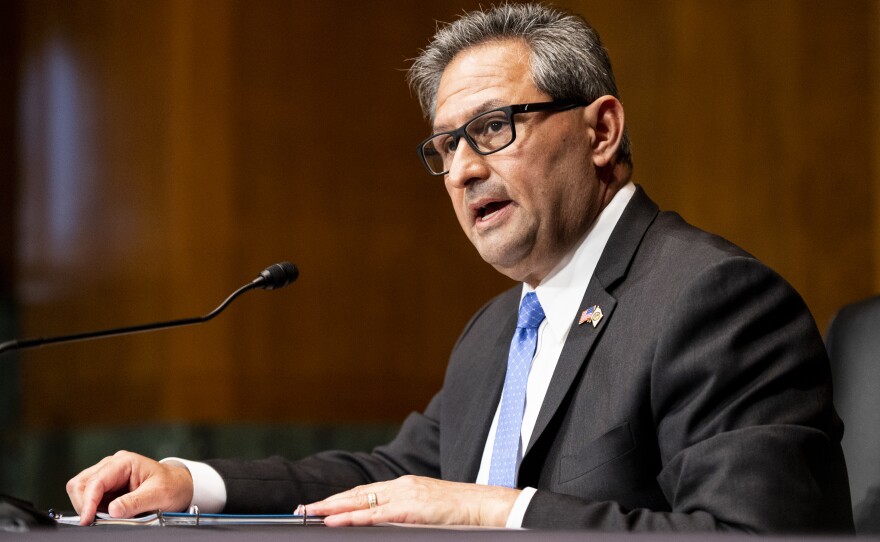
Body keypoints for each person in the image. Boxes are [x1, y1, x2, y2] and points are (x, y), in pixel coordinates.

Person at [66, 3, 854, 532]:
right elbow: (395, 475)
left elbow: (756, 535)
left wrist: (498, 513)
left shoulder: (714, 299)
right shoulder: (498, 331)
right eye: (445, 148)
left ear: (601, 130)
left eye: (494, 128)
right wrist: (190, 483)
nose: (463, 171)